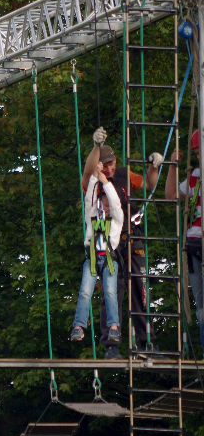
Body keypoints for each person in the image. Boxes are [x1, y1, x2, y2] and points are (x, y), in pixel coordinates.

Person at [81, 127, 163, 358]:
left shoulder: (124, 175)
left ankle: (148, 344)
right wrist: (96, 147)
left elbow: (149, 183)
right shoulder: (93, 182)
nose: (109, 168)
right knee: (111, 292)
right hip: (108, 242)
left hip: (132, 238)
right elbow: (88, 170)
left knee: (141, 290)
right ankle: (111, 347)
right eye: (104, 164)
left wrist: (154, 166)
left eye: (112, 162)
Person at [69, 163, 124, 349]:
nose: (106, 207)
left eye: (108, 205)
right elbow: (89, 200)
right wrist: (94, 176)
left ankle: (114, 327)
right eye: (103, 204)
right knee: (85, 291)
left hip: (109, 258)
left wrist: (104, 181)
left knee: (110, 292)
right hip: (92, 259)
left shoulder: (116, 220)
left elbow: (116, 203)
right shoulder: (92, 218)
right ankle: (79, 326)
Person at [165, 130, 204, 357]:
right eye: (197, 153)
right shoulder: (196, 176)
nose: (199, 157)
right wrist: (172, 166)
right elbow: (171, 194)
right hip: (195, 245)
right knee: (201, 307)